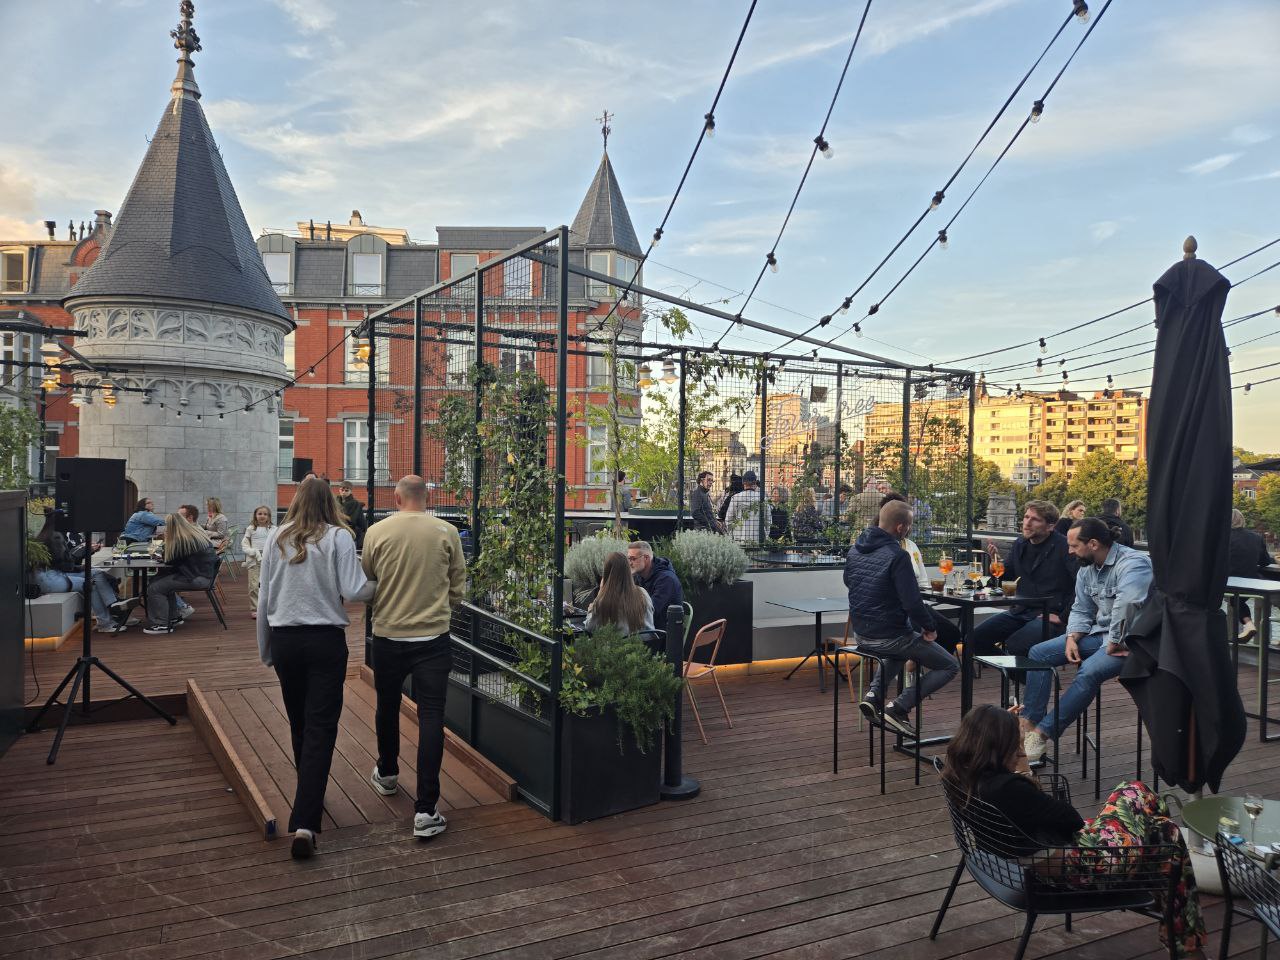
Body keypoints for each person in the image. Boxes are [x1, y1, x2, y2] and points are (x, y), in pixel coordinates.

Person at [941, 705, 1206, 958]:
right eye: (1015, 745)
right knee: (1142, 800)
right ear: (998, 747)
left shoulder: (959, 777)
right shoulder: (1009, 789)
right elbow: (1072, 820)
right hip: (1086, 867)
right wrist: (1024, 770)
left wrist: (1002, 725)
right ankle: (1183, 942)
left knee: (1161, 829)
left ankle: (1184, 941)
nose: (1017, 750)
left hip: (1042, 864)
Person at [257, 477, 374, 859]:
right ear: (330, 502)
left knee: (299, 721)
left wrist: (266, 649)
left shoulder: (277, 536)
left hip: (285, 639)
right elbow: (355, 591)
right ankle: (305, 820)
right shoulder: (338, 537)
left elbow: (265, 597)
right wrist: (382, 582)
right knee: (322, 725)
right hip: (325, 640)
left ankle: (309, 792)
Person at [362, 475, 465, 842]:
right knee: (432, 717)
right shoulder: (446, 531)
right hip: (433, 637)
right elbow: (458, 587)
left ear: (397, 497)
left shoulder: (377, 531)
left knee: (387, 706)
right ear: (427, 498)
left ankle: (387, 774)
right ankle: (425, 809)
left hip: (389, 634)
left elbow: (368, 581)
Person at [1020, 517, 1153, 761]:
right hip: (1101, 635)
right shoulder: (1087, 569)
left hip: (1135, 642)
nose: (1069, 552)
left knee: (1089, 671)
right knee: (1038, 653)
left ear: (1093, 544)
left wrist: (1116, 640)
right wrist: (1072, 637)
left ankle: (1041, 735)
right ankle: (1028, 723)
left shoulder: (1134, 563)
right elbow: (1081, 608)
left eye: (1074, 546)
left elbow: (1128, 606)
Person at [845, 499, 959, 735]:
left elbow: (849, 581)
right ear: (901, 528)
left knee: (901, 644)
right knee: (949, 665)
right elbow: (912, 602)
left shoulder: (855, 549)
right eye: (910, 525)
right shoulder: (898, 555)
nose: (909, 530)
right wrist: (929, 628)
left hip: (862, 633)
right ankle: (899, 707)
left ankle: (874, 696)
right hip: (889, 636)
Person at [971, 500, 1076, 657]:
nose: (1027, 523)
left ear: (1050, 526)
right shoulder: (1020, 543)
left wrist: (1063, 617)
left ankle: (1021, 675)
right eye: (1026, 517)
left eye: (1035, 519)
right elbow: (1006, 576)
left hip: (1049, 613)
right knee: (973, 639)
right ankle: (1017, 675)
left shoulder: (1065, 547)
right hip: (1020, 610)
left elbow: (1083, 585)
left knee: (1016, 644)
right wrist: (995, 562)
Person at [879, 492, 961, 653]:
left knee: (952, 633)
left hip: (917, 605)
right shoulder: (882, 550)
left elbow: (923, 581)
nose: (910, 526)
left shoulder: (911, 547)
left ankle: (919, 666)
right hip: (893, 612)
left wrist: (927, 605)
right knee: (916, 633)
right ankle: (912, 667)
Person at [33, 513, 128, 633]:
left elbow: (62, 564)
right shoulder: (56, 537)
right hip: (51, 578)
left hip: (50, 575)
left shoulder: (46, 534)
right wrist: (85, 552)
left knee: (97, 574)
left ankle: (113, 607)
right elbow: (66, 565)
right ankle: (107, 620)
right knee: (90, 584)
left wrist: (83, 561)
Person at [142, 513, 217, 634]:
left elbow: (169, 559)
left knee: (155, 588)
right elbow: (176, 559)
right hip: (203, 575)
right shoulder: (194, 534)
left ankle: (161, 624)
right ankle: (173, 617)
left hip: (196, 578)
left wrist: (164, 546)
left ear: (171, 526)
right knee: (158, 580)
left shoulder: (183, 539)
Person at [1229, 508, 1276, 641]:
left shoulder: (1221, 537)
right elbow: (1265, 562)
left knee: (1234, 598)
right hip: (1251, 579)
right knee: (1238, 599)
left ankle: (1248, 625)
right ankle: (1248, 625)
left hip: (1230, 581)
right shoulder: (1256, 537)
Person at [584, 552, 654, 634]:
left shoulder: (604, 599)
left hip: (618, 646)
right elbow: (650, 627)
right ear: (628, 570)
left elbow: (590, 627)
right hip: (645, 645)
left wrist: (592, 608)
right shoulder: (643, 593)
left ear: (607, 571)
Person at [627, 540, 683, 628]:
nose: (630, 563)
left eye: (633, 559)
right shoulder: (638, 576)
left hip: (661, 634)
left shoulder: (666, 579)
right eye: (628, 559)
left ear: (646, 558)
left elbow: (651, 612)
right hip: (646, 628)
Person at [241, 505, 275, 619]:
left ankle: (269, 607)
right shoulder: (251, 529)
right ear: (255, 515)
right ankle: (255, 608)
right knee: (254, 585)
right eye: (260, 513)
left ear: (269, 516)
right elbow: (244, 544)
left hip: (269, 559)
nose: (262, 516)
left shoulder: (273, 529)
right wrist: (253, 552)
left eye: (265, 514)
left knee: (269, 584)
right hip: (254, 559)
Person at [724, 470, 771, 544]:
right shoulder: (762, 498)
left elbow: (728, 520)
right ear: (755, 483)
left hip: (739, 540)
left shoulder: (735, 498)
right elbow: (768, 521)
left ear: (743, 483)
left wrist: (732, 535)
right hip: (758, 539)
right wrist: (766, 535)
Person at [334, 480, 368, 548]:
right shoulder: (335, 501)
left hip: (352, 532)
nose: (343, 492)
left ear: (350, 491)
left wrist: (339, 514)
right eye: (342, 490)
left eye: (346, 490)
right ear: (339, 490)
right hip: (337, 531)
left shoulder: (355, 504)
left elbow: (353, 520)